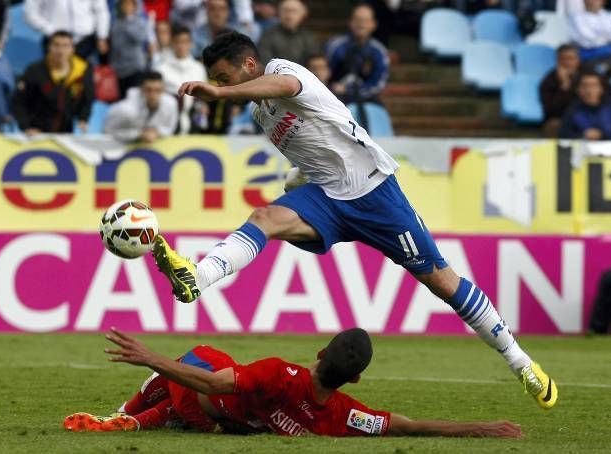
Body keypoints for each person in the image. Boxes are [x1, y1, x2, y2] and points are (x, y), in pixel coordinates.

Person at [151, 31, 558, 410]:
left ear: (250, 65)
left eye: (225, 77)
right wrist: (297, 178)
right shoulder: (262, 116)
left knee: (442, 283)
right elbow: (315, 146)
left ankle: (521, 363)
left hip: (374, 194)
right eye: (217, 81)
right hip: (328, 197)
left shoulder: (281, 71)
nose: (222, 86)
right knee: (265, 217)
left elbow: (286, 89)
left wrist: (222, 95)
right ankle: (196, 278)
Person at [64, 328, 523, 438]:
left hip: (201, 396)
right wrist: (477, 428)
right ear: (357, 377)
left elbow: (212, 383)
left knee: (195, 365)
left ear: (321, 353)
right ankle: (137, 418)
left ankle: (129, 415)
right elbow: (403, 424)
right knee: (198, 404)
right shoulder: (343, 414)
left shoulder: (280, 373)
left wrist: (151, 356)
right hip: (217, 418)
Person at [12, 31, 95, 134]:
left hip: (66, 133)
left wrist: (83, 118)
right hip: (36, 133)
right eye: (56, 45)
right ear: (49, 47)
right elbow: (18, 101)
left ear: (72, 49)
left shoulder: (83, 71)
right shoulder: (34, 71)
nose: (60, 51)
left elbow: (88, 99)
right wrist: (25, 127)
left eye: (65, 46)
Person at [325, 4, 390, 104]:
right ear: (350, 22)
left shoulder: (379, 51)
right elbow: (322, 74)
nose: (361, 24)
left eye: (366, 21)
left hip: (366, 100)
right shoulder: (335, 46)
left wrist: (349, 90)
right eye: (358, 20)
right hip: (333, 98)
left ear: (374, 24)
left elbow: (378, 83)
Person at [157, 25, 208, 134]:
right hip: (168, 128)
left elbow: (203, 100)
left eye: (185, 42)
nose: (181, 46)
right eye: (177, 42)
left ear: (191, 44)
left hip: (194, 127)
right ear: (172, 43)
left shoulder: (199, 69)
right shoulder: (161, 69)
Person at [104, 71, 179, 143]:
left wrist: (157, 132)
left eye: (157, 90)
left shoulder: (171, 103)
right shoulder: (125, 109)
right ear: (141, 90)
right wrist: (138, 134)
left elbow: (170, 128)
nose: (153, 95)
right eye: (148, 90)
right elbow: (108, 130)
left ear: (163, 90)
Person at [568, 0, 611, 77]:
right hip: (591, 55)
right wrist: (610, 37)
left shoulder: (610, 15)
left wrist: (600, 36)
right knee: (589, 67)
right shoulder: (576, 16)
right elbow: (586, 41)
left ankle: (607, 67)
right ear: (584, 1)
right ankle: (609, 69)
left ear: (603, 2)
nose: (592, 2)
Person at [559, 69, 611, 139]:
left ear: (601, 88)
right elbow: (564, 136)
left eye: (594, 85)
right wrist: (583, 135)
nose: (589, 90)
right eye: (584, 85)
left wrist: (603, 135)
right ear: (578, 89)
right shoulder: (571, 110)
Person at [24, 0, 110, 59]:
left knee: (84, 79)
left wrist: (102, 36)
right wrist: (51, 30)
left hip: (85, 41)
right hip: (55, 41)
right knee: (56, 80)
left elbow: (101, 11)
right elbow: (30, 13)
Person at [257, 0, 319, 66]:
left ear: (303, 14)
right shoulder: (268, 34)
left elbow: (315, 62)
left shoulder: (309, 37)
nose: (289, 16)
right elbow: (265, 61)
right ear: (279, 13)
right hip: (275, 74)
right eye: (285, 11)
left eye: (294, 11)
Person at [110, 0, 151, 94]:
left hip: (135, 67)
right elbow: (115, 45)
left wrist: (128, 21)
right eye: (124, 4)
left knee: (134, 96)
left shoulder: (140, 22)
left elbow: (140, 38)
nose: (126, 7)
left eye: (129, 4)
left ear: (134, 7)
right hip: (119, 69)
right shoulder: (116, 22)